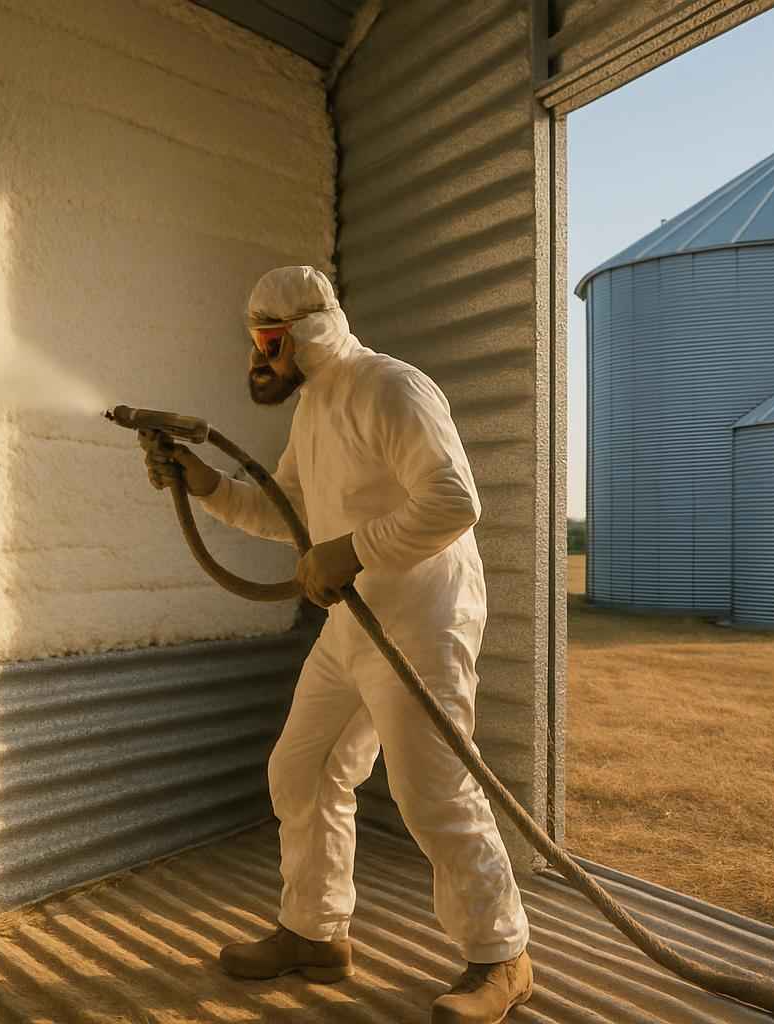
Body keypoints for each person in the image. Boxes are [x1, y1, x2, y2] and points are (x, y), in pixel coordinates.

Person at [143, 266, 533, 1023]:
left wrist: (349, 550)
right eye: (253, 339)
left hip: (422, 616)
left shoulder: (393, 387)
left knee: (432, 792)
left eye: (268, 340)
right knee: (303, 765)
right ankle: (316, 934)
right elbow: (285, 512)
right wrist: (204, 482)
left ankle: (502, 956)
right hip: (354, 617)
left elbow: (457, 501)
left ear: (307, 332)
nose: (257, 358)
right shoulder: (314, 408)